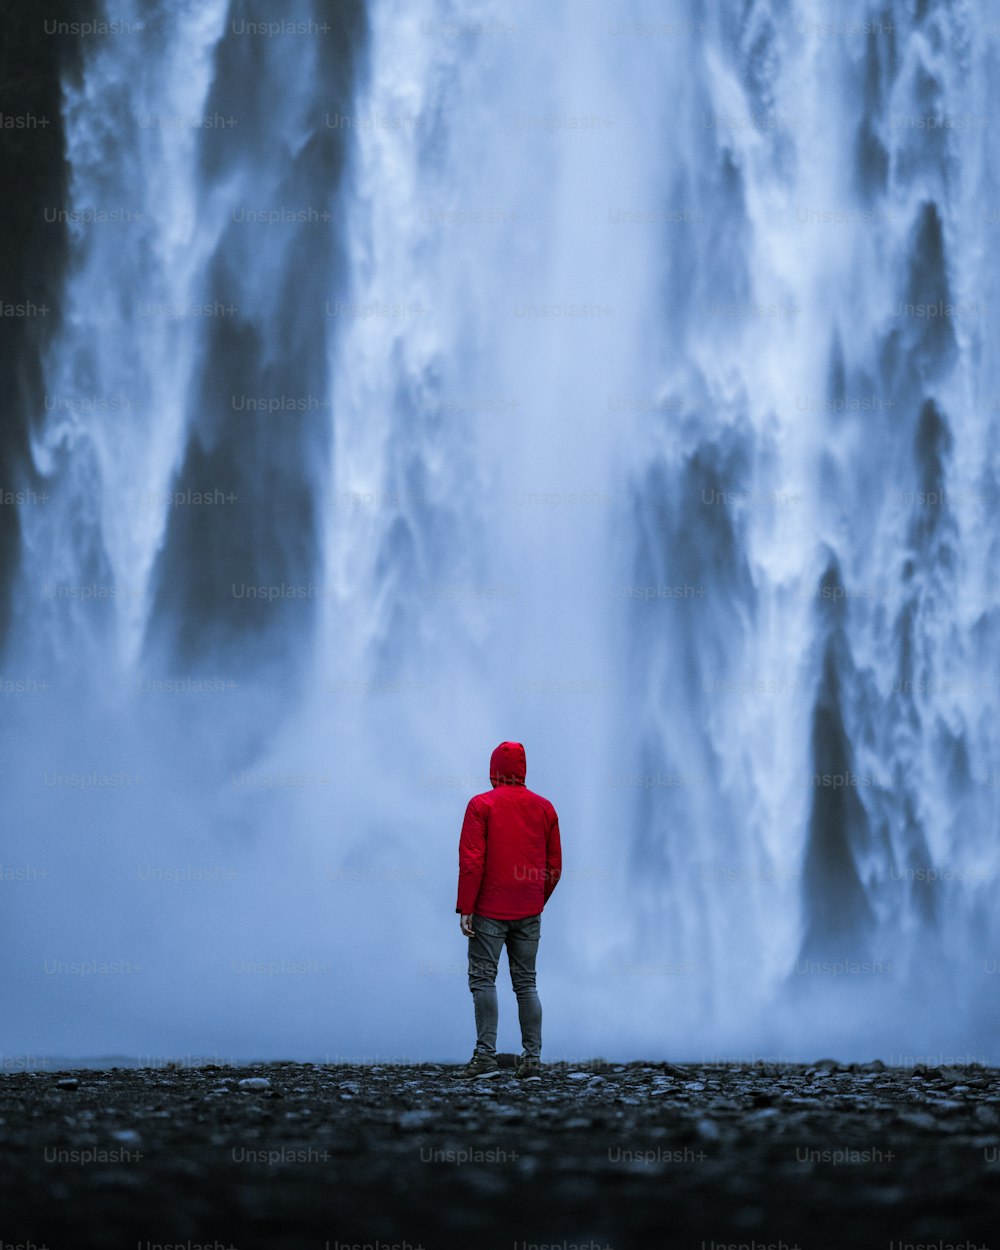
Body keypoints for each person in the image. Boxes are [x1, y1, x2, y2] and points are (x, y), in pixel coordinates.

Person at [453, 740, 562, 1080]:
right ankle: (532, 1059)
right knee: (526, 984)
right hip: (529, 911)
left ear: (493, 770)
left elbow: (472, 861)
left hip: (488, 909)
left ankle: (485, 1055)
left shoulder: (480, 805)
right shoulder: (545, 808)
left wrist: (466, 907)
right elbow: (555, 865)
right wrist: (535, 898)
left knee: (484, 979)